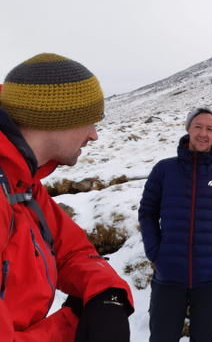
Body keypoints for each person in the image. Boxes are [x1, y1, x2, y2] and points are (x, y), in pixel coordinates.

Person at [0, 53, 134, 342]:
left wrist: (106, 295)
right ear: (54, 117)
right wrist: (72, 325)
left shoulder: (23, 184)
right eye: (89, 120)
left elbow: (70, 251)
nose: (94, 135)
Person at [138, 106, 212, 342]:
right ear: (188, 129)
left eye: (210, 129)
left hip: (209, 276)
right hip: (168, 273)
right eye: (198, 126)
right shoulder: (164, 170)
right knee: (162, 337)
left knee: (204, 337)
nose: (203, 133)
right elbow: (147, 212)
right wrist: (155, 253)